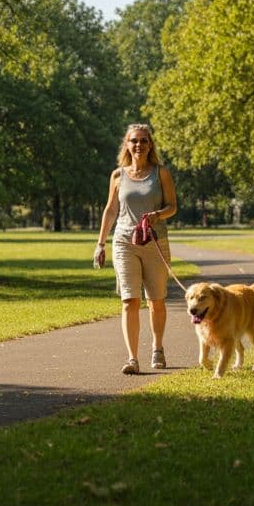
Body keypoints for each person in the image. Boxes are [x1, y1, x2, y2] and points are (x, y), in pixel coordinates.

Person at [94, 123, 177, 375]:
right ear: (126, 145)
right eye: (134, 141)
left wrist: (157, 215)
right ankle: (132, 358)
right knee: (130, 300)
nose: (138, 145)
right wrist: (100, 243)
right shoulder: (117, 175)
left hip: (155, 241)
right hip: (124, 242)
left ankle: (157, 348)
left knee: (156, 301)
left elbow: (172, 206)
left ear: (150, 145)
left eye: (143, 140)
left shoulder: (160, 173)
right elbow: (110, 210)